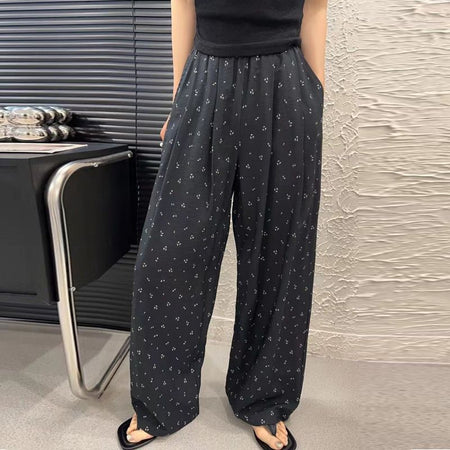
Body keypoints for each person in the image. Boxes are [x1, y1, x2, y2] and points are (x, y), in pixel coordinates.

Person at [117, 0, 327, 448]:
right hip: (205, 76)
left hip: (286, 84)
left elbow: (315, 9)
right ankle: (161, 401)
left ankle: (265, 399)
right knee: (169, 255)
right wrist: (179, 100)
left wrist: (316, 98)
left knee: (278, 257)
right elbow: (183, 7)